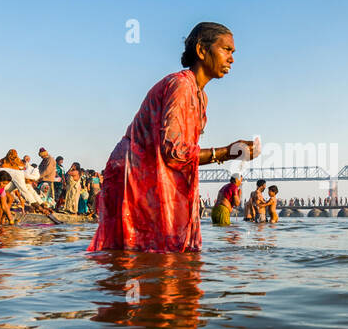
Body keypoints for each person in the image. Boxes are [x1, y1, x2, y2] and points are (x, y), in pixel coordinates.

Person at [88, 22, 257, 251]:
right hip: (134, 172)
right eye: (226, 49)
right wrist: (227, 152)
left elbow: (182, 152)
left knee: (159, 254)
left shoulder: (200, 96)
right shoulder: (180, 85)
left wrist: (228, 152)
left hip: (152, 172)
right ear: (201, 50)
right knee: (132, 253)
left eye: (233, 52)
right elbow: (175, 151)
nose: (232, 58)